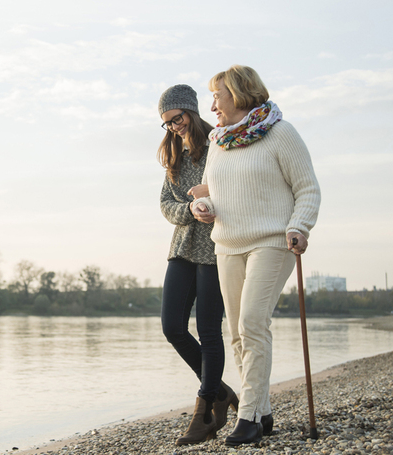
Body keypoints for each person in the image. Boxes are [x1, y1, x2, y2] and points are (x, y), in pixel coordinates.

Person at [191, 65, 321, 446]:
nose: (211, 105)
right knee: (235, 333)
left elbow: (308, 189)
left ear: (240, 94)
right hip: (227, 244)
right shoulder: (219, 141)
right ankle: (262, 411)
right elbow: (217, 191)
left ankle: (246, 419)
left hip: (272, 241)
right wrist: (205, 205)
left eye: (217, 95)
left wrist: (300, 226)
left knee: (251, 322)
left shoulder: (280, 132)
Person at [157, 84, 238, 446]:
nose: (175, 127)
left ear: (191, 111)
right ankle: (219, 391)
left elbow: (236, 187)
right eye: (168, 123)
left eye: (178, 118)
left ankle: (205, 408)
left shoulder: (219, 144)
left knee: (208, 330)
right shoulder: (173, 153)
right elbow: (164, 204)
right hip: (183, 246)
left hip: (217, 247)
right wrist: (188, 209)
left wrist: (210, 199)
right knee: (172, 326)